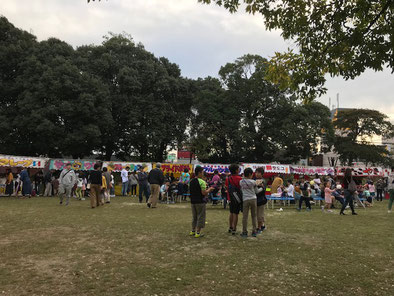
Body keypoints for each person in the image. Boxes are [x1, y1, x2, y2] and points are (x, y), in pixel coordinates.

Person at [189, 166, 214, 238]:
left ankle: (193, 231)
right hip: (200, 201)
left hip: (193, 202)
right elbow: (204, 193)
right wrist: (209, 189)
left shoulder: (191, 181)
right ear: (199, 173)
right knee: (200, 216)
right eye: (202, 172)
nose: (203, 174)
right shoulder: (202, 182)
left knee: (194, 217)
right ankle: (198, 232)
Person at [239, 168, 262, 238]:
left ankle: (244, 232)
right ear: (249, 174)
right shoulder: (253, 182)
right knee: (254, 216)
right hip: (253, 199)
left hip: (245, 200)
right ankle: (254, 231)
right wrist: (262, 188)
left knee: (245, 217)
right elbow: (257, 191)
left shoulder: (241, 182)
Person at [225, 164, 243, 235]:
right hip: (237, 198)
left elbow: (226, 188)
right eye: (238, 169)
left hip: (230, 197)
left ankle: (230, 227)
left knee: (231, 213)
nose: (239, 170)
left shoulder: (228, 179)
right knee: (236, 213)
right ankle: (234, 228)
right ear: (236, 170)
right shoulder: (240, 179)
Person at [255, 167, 267, 233]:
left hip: (261, 200)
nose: (257, 174)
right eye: (256, 172)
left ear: (262, 174)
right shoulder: (254, 180)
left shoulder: (263, 181)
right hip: (256, 199)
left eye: (258, 173)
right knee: (258, 214)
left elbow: (262, 190)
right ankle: (262, 225)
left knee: (260, 214)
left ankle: (259, 227)